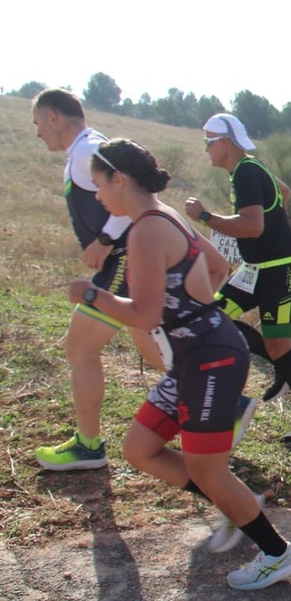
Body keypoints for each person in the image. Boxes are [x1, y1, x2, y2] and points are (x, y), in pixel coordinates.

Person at [68, 139, 291, 590]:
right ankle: (234, 503)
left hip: (210, 362)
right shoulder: (166, 215)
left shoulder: (146, 231)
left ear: (119, 179)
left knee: (207, 470)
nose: (97, 196)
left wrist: (91, 294)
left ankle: (276, 553)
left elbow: (145, 315)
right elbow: (217, 267)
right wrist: (195, 314)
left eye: (98, 185)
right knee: (140, 449)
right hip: (197, 359)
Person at [30, 89, 173, 471]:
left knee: (79, 348)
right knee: (156, 353)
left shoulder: (87, 151)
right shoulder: (85, 150)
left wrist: (105, 240)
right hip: (124, 263)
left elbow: (131, 195)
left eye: (38, 123)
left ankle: (89, 446)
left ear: (53, 117)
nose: (37, 133)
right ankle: (224, 400)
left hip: (123, 263)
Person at [184, 113, 291, 444]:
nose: (206, 148)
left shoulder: (247, 172)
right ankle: (280, 366)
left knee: (278, 345)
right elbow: (284, 192)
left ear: (225, 142)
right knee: (212, 318)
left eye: (209, 142)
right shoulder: (249, 168)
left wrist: (206, 216)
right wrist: (273, 217)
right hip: (255, 270)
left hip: (279, 269)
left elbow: (252, 226)